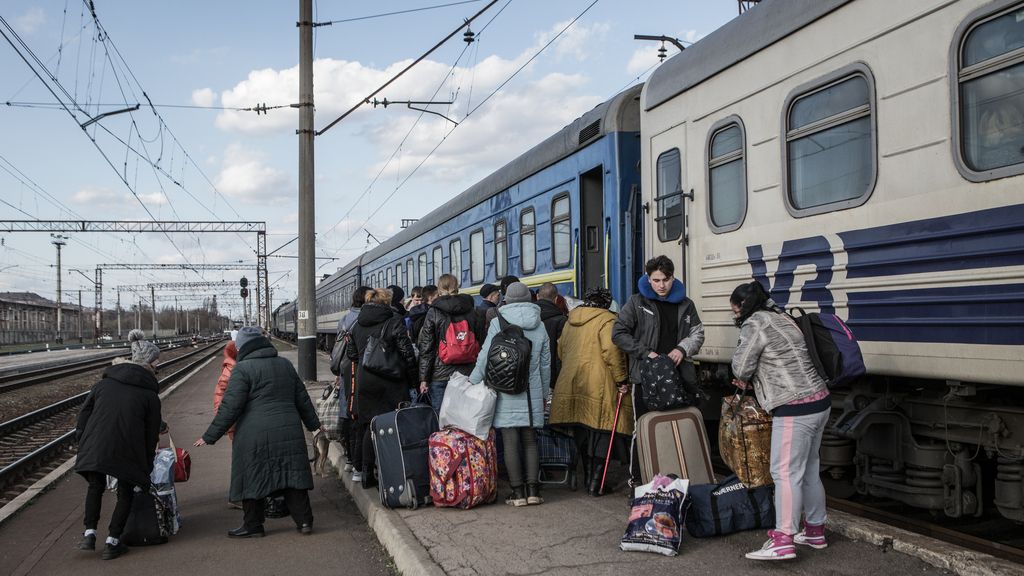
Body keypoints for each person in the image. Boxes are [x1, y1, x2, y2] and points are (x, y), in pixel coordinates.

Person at [729, 281, 830, 561]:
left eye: (734, 309)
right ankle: (814, 530)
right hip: (820, 399)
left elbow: (741, 366)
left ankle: (784, 539)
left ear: (742, 307)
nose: (734, 315)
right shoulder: (781, 316)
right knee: (808, 469)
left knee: (784, 473)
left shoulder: (756, 324)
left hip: (794, 405)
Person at [194, 326, 322, 538]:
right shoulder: (285, 364)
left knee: (251, 477)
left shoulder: (242, 369)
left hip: (254, 435)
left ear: (241, 346)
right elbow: (303, 399)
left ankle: (253, 525)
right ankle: (305, 522)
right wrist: (314, 425)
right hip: (289, 430)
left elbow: (230, 407)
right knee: (293, 477)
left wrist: (210, 436)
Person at [612, 255, 704, 486]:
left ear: (673, 278)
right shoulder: (636, 302)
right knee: (643, 427)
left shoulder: (686, 303)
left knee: (679, 426)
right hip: (646, 377)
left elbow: (698, 334)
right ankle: (638, 481)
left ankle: (678, 478)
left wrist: (683, 349)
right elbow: (618, 333)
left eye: (666, 279)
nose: (661, 285)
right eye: (656, 280)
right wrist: (646, 353)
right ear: (648, 278)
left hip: (679, 375)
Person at [74, 328, 162, 560]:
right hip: (127, 448)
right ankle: (113, 542)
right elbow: (151, 433)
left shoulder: (104, 384)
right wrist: (147, 462)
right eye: (156, 361)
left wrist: (82, 439)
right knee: (126, 492)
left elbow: (84, 415)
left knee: (95, 486)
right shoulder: (149, 394)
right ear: (149, 363)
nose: (158, 366)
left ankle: (89, 534)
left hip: (96, 444)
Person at [469, 282, 551, 507]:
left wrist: (472, 382)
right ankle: (533, 491)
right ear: (529, 299)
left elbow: (486, 356)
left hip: (505, 388)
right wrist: (544, 392)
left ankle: (517, 494)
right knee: (530, 441)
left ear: (507, 300)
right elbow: (545, 364)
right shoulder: (540, 324)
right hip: (531, 390)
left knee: (510, 440)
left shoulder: (498, 322)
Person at [549, 287, 632, 496]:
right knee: (602, 431)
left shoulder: (570, 320)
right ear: (606, 303)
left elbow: (561, 350)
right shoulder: (608, 321)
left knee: (583, 433)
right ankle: (596, 484)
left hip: (572, 382)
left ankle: (588, 479)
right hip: (599, 383)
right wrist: (622, 379)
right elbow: (612, 352)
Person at [346, 288, 418, 487]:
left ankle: (366, 474)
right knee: (392, 426)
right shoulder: (394, 321)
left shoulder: (357, 324)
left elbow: (351, 354)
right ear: (387, 302)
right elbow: (407, 353)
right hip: (391, 381)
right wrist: (414, 381)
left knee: (368, 426)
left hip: (365, 380)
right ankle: (391, 473)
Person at [417, 275, 483, 409]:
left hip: (440, 374)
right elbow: (481, 341)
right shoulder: (472, 310)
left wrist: (424, 379)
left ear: (439, 289)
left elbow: (426, 347)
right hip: (468, 373)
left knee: (442, 419)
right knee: (466, 418)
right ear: (457, 287)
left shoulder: (434, 312)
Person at [337, 285, 372, 473]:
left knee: (347, 413)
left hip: (345, 370)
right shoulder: (365, 319)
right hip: (360, 370)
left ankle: (350, 458)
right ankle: (361, 464)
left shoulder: (344, 318)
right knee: (360, 417)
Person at [535, 282, 567, 388]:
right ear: (556, 298)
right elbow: (560, 354)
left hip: (532, 376)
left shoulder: (529, 317)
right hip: (552, 377)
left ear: (537, 296)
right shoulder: (561, 320)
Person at [213, 340, 238, 441]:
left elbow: (219, 394)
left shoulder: (229, 368)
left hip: (235, 421)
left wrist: (220, 421)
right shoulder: (232, 369)